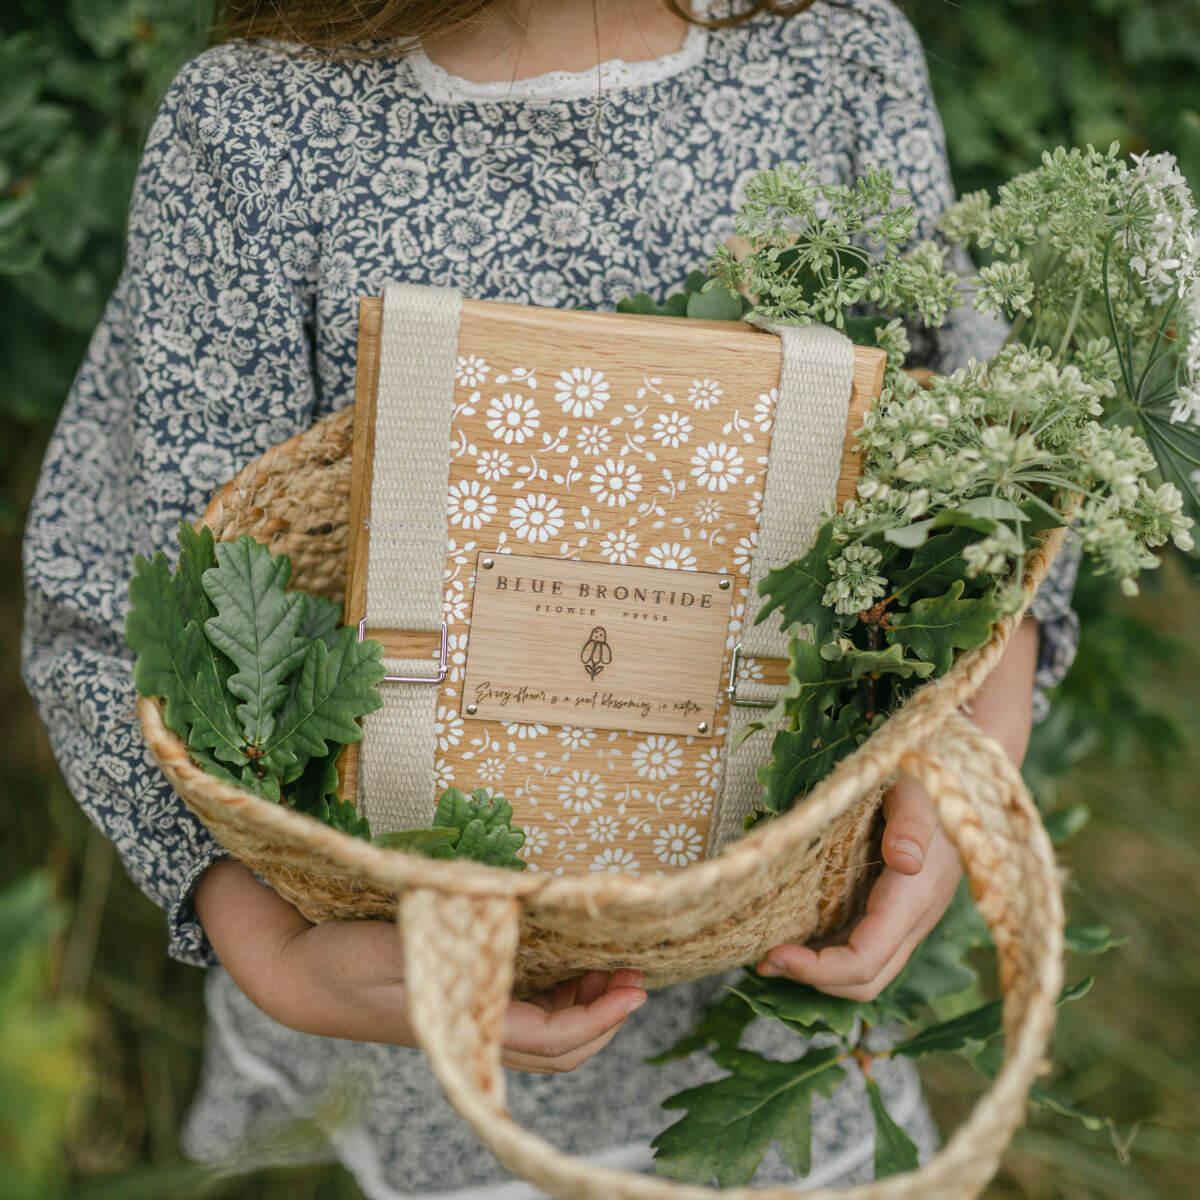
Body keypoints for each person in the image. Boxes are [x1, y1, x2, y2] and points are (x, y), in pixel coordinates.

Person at [21, 0, 1081, 1192]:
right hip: (405, 1009)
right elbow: (106, 608)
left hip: (773, 1019)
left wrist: (953, 803)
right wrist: (279, 960)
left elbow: (989, 475)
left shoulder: (837, 52)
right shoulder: (260, 129)